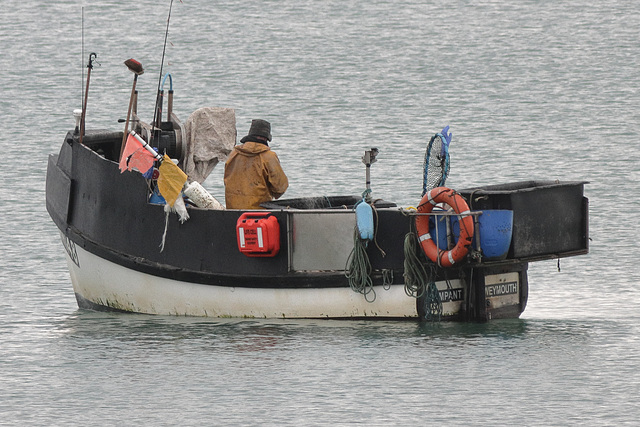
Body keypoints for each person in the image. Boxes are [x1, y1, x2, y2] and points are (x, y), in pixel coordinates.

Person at [224, 119, 289, 209]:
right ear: (266, 138)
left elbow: (226, 181)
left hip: (233, 212)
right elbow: (280, 187)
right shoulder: (269, 156)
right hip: (259, 215)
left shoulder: (233, 154)